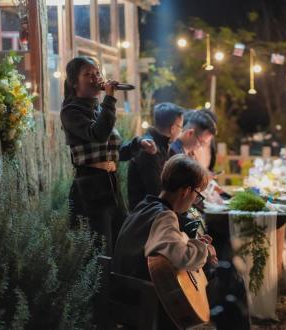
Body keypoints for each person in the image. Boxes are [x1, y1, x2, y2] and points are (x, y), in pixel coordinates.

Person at [113, 155, 250, 329]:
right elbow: (182, 257)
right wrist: (206, 250)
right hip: (147, 301)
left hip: (126, 294)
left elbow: (163, 244)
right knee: (233, 283)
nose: (195, 201)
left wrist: (193, 242)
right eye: (197, 195)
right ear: (185, 191)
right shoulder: (165, 216)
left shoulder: (145, 206)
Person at [60, 56, 156, 255]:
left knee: (121, 244)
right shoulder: (71, 111)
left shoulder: (99, 109)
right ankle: (101, 287)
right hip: (90, 189)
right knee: (101, 252)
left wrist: (138, 144)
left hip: (110, 184)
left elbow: (112, 153)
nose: (96, 77)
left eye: (97, 73)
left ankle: (117, 286)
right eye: (88, 74)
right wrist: (110, 99)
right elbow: (98, 134)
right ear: (74, 82)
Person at [127, 102, 184, 210]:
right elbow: (157, 192)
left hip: (155, 210)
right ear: (173, 128)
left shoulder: (162, 145)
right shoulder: (149, 148)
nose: (181, 131)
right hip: (146, 215)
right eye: (181, 127)